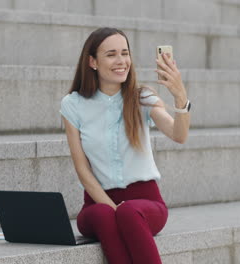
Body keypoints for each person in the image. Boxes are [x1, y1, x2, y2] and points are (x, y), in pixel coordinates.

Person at [60, 27, 191, 264]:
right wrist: (113, 207)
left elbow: (179, 135)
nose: (121, 61)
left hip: (146, 204)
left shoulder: (143, 98)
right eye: (111, 54)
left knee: (128, 212)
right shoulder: (73, 105)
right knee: (104, 214)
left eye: (125, 53)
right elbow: (82, 169)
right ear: (92, 62)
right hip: (97, 203)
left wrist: (180, 97)